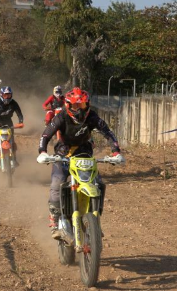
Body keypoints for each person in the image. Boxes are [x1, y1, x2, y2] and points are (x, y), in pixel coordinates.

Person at [37, 87, 124, 240]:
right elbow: (45, 135)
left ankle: (95, 222)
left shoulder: (92, 116)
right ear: (68, 105)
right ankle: (55, 220)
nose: (80, 110)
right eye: (76, 106)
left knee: (97, 183)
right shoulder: (61, 116)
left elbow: (107, 132)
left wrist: (116, 151)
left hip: (84, 153)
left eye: (83, 106)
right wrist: (42, 152)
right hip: (63, 154)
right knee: (57, 183)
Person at [0, 86, 24, 168]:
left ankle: (14, 159)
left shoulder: (14, 103)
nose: (7, 97)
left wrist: (21, 122)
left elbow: (19, 113)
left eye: (9, 95)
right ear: (1, 95)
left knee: (11, 141)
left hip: (8, 123)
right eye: (5, 95)